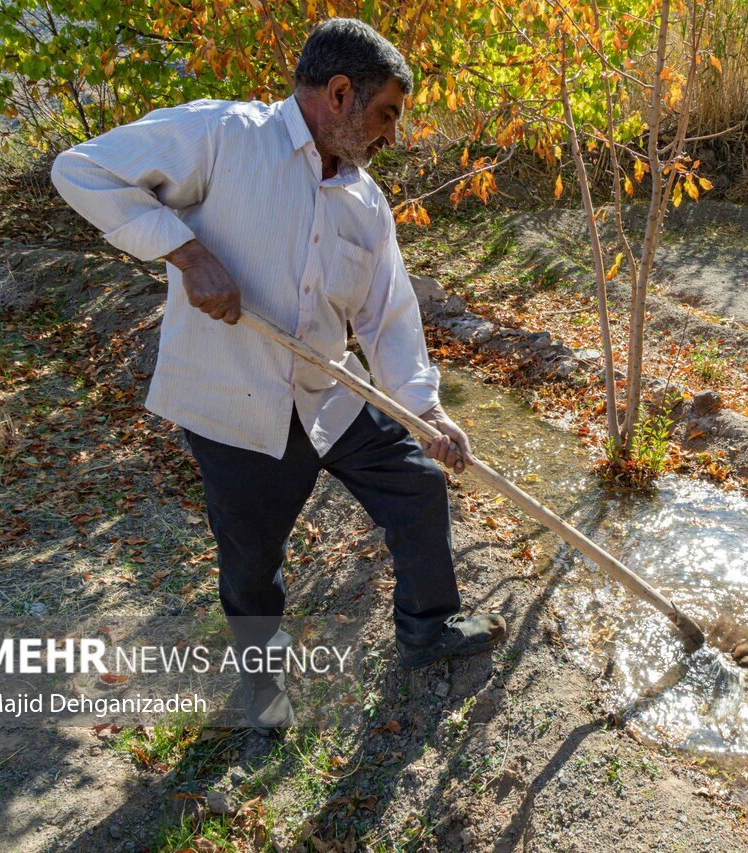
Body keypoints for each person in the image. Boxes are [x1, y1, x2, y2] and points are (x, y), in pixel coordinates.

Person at [50, 18, 506, 734]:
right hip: (235, 403)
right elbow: (79, 169)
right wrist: (188, 253)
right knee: (253, 566)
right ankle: (263, 694)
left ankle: (428, 628)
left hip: (328, 393)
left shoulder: (366, 203)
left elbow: (389, 317)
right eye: (386, 114)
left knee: (417, 482)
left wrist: (427, 411)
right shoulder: (224, 136)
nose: (392, 134)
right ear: (339, 92)